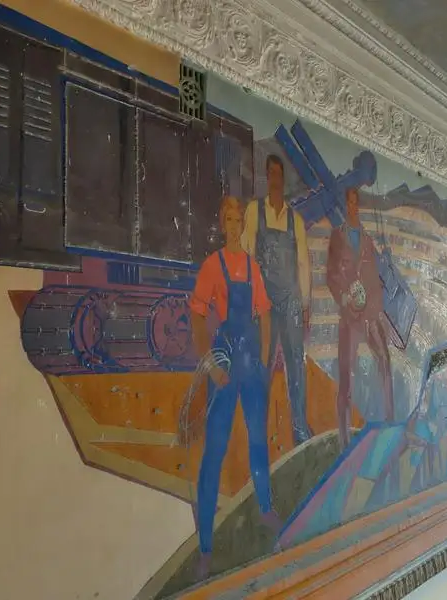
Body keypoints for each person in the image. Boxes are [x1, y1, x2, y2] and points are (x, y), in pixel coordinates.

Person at [189, 196, 279, 578]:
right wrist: (211, 367)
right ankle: (206, 547)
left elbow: (266, 314)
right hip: (225, 368)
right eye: (227, 219)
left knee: (258, 441)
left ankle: (267, 509)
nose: (232, 226)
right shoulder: (213, 265)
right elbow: (196, 316)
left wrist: (265, 361)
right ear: (221, 223)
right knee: (215, 450)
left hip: (251, 367)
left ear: (243, 225)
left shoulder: (253, 268)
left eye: (237, 220)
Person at [242, 154, 313, 445]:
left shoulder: (296, 220)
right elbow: (247, 255)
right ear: (266, 177)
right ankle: (257, 425)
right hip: (265, 300)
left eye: (279, 174)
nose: (275, 179)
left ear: (283, 179)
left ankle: (299, 427)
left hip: (292, 299)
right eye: (271, 173)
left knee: (296, 361)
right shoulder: (253, 211)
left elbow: (303, 263)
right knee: (265, 361)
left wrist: (305, 303)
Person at [326, 186, 394, 449]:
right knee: (346, 376)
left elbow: (374, 280)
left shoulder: (366, 239)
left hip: (370, 316)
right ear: (346, 206)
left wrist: (375, 314)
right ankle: (344, 440)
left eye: (356, 203)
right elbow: (331, 276)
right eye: (349, 203)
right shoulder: (337, 237)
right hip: (349, 318)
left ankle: (390, 422)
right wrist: (345, 298)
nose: (353, 207)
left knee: (385, 361)